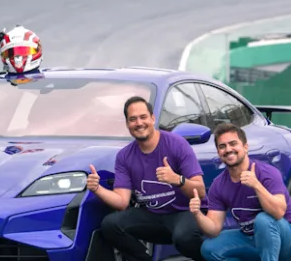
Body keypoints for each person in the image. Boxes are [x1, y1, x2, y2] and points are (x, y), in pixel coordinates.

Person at [86, 96, 206, 261]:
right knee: (111, 225)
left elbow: (200, 192)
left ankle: (211, 258)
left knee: (183, 237)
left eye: (143, 117)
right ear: (128, 124)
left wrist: (178, 179)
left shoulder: (176, 144)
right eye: (133, 119)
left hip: (186, 212)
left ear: (152, 118)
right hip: (154, 216)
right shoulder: (124, 156)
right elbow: (121, 202)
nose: (139, 123)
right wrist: (97, 189)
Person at [189, 124, 291, 261]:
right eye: (222, 146)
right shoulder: (219, 185)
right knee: (209, 248)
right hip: (251, 238)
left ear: (245, 147)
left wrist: (256, 185)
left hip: (290, 238)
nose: (228, 149)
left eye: (233, 144)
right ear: (218, 152)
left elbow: (279, 212)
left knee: (263, 220)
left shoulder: (267, 173)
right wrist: (197, 214)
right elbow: (213, 229)